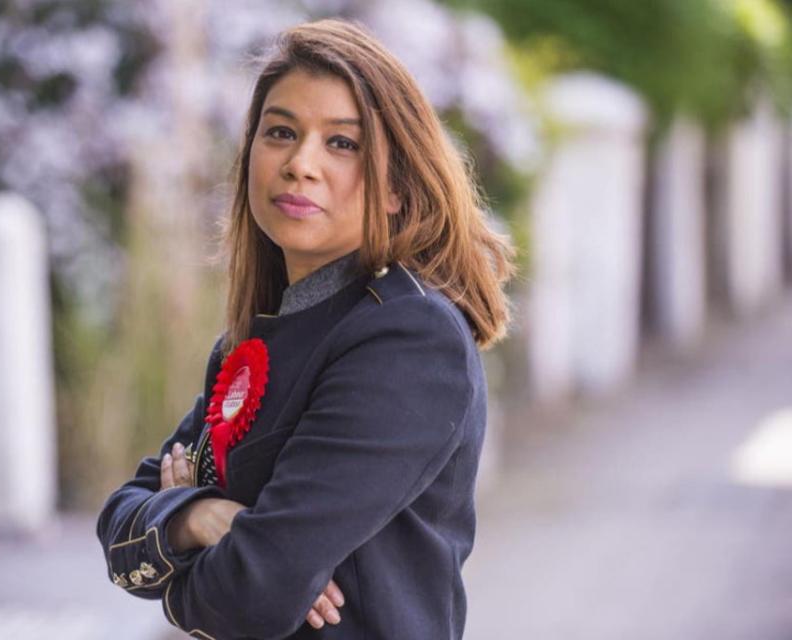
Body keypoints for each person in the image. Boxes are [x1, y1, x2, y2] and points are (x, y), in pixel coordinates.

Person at [96, 17, 516, 640]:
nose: (300, 164)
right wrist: (204, 518)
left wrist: (184, 567)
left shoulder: (407, 339)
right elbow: (117, 530)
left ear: (398, 186)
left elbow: (252, 595)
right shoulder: (254, 341)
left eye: (341, 143)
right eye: (281, 132)